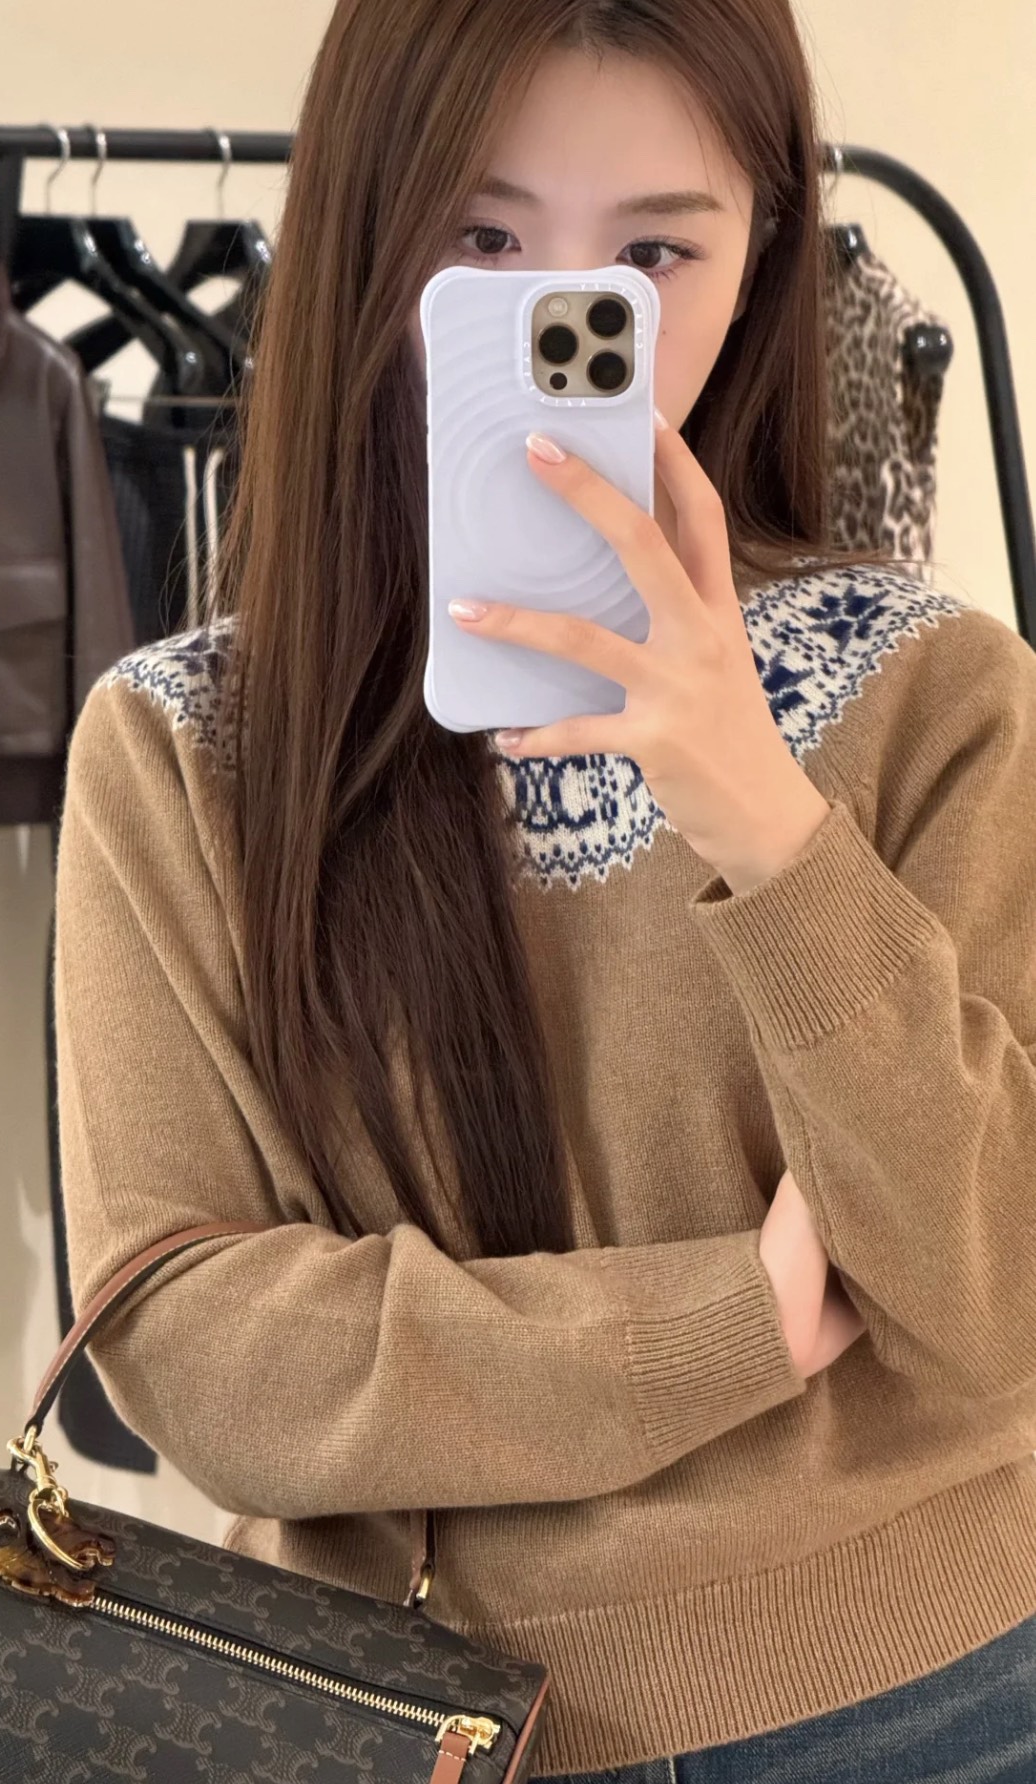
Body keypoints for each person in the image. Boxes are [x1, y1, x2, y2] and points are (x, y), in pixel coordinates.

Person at [53, 1, 1036, 1778]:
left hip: (935, 1697)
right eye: (483, 239)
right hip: (413, 1723)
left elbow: (992, 1304)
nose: (566, 320)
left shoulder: (936, 691)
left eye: (655, 253)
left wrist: (769, 827)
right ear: (367, 239)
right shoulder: (184, 750)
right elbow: (195, 1350)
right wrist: (726, 1327)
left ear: (762, 262)